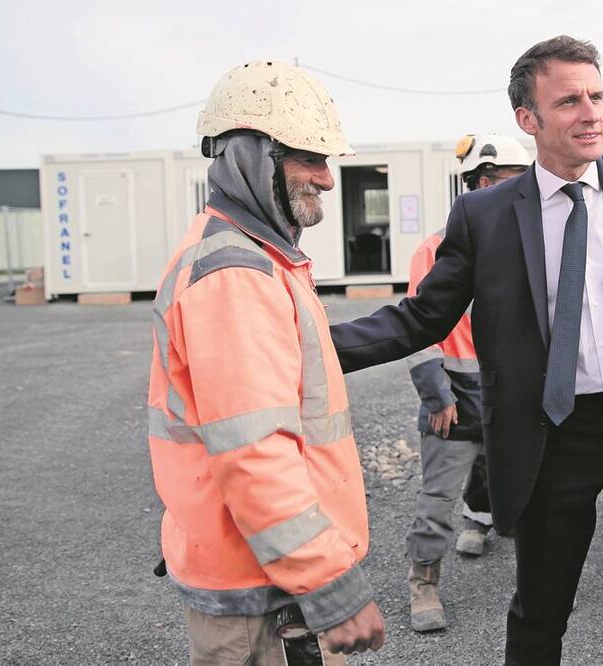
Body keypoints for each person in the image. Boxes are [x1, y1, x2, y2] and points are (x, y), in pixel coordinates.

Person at [331, 35, 603, 665]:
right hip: (551, 437)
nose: (591, 112)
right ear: (528, 119)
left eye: (597, 96)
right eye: (570, 100)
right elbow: (423, 316)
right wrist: (309, 345)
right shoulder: (485, 214)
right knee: (540, 616)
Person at [146, 60, 385, 664]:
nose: (327, 179)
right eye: (309, 157)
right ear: (250, 156)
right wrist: (330, 585)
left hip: (266, 577)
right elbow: (256, 452)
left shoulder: (253, 256)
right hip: (265, 597)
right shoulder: (235, 274)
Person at [403, 132, 529, 632]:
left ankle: (534, 581)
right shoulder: (435, 248)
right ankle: (423, 586)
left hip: (514, 399)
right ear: (477, 185)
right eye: (506, 184)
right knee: (436, 501)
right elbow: (417, 329)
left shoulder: (530, 248)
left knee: (526, 496)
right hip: (453, 400)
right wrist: (436, 394)